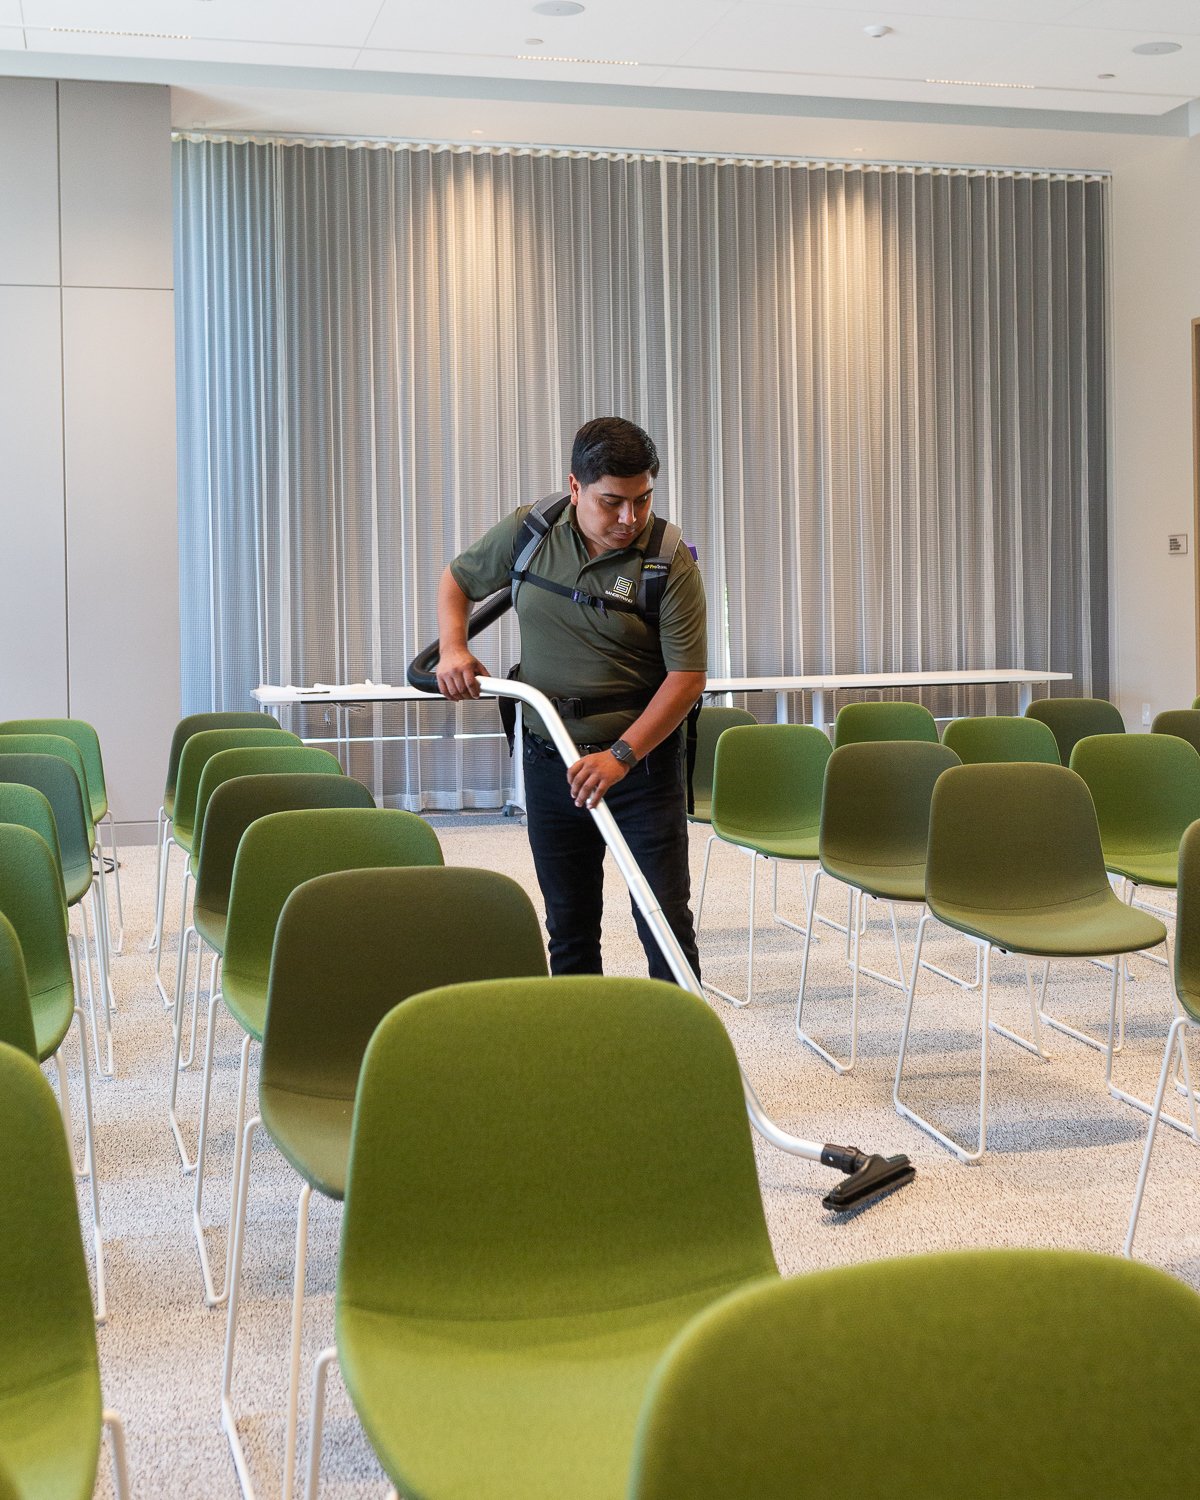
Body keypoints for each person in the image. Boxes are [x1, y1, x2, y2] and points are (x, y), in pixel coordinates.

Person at [436, 416, 705, 982]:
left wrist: (620, 758)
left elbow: (686, 679)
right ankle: (582, 1058)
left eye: (642, 500)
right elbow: (458, 581)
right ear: (576, 487)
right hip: (549, 757)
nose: (629, 518)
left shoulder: (668, 561)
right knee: (570, 925)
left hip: (640, 766)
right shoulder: (531, 531)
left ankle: (680, 1059)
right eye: (612, 502)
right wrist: (455, 649)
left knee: (664, 924)